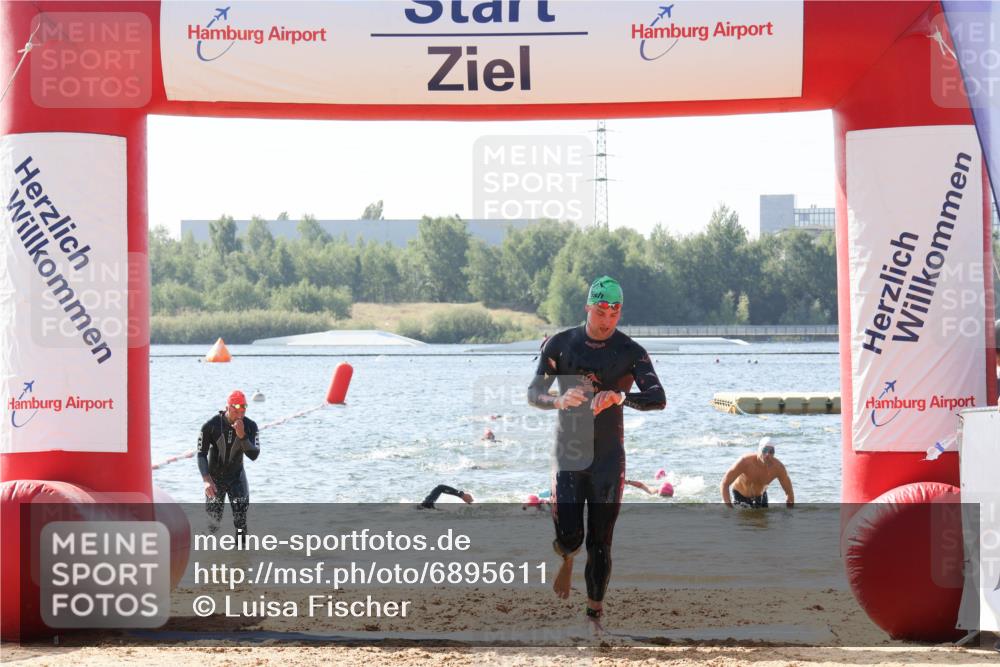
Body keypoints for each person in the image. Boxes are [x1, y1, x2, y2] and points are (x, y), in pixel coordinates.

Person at [527, 275, 666, 624]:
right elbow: (534, 393)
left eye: (614, 313)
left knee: (601, 542)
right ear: (588, 306)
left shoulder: (630, 351)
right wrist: (557, 400)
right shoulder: (560, 345)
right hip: (569, 452)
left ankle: (594, 614)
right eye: (601, 311)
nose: (607, 320)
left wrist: (621, 397)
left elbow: (657, 398)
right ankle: (567, 557)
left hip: (608, 458)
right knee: (570, 535)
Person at [197, 390, 261, 537]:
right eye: (236, 409)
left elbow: (254, 455)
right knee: (213, 525)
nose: (240, 414)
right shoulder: (211, 426)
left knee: (241, 524)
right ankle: (208, 557)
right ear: (228, 407)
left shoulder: (250, 426)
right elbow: (201, 454)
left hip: (237, 478)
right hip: (215, 480)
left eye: (243, 409)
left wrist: (242, 436)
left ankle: (241, 559)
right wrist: (206, 480)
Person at [720, 437, 794, 509]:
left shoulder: (778, 468)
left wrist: (790, 513)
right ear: (759, 450)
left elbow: (789, 493)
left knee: (764, 521)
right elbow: (725, 483)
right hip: (740, 495)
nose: (767, 454)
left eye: (771, 451)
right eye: (764, 450)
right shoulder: (745, 462)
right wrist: (729, 508)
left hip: (761, 497)